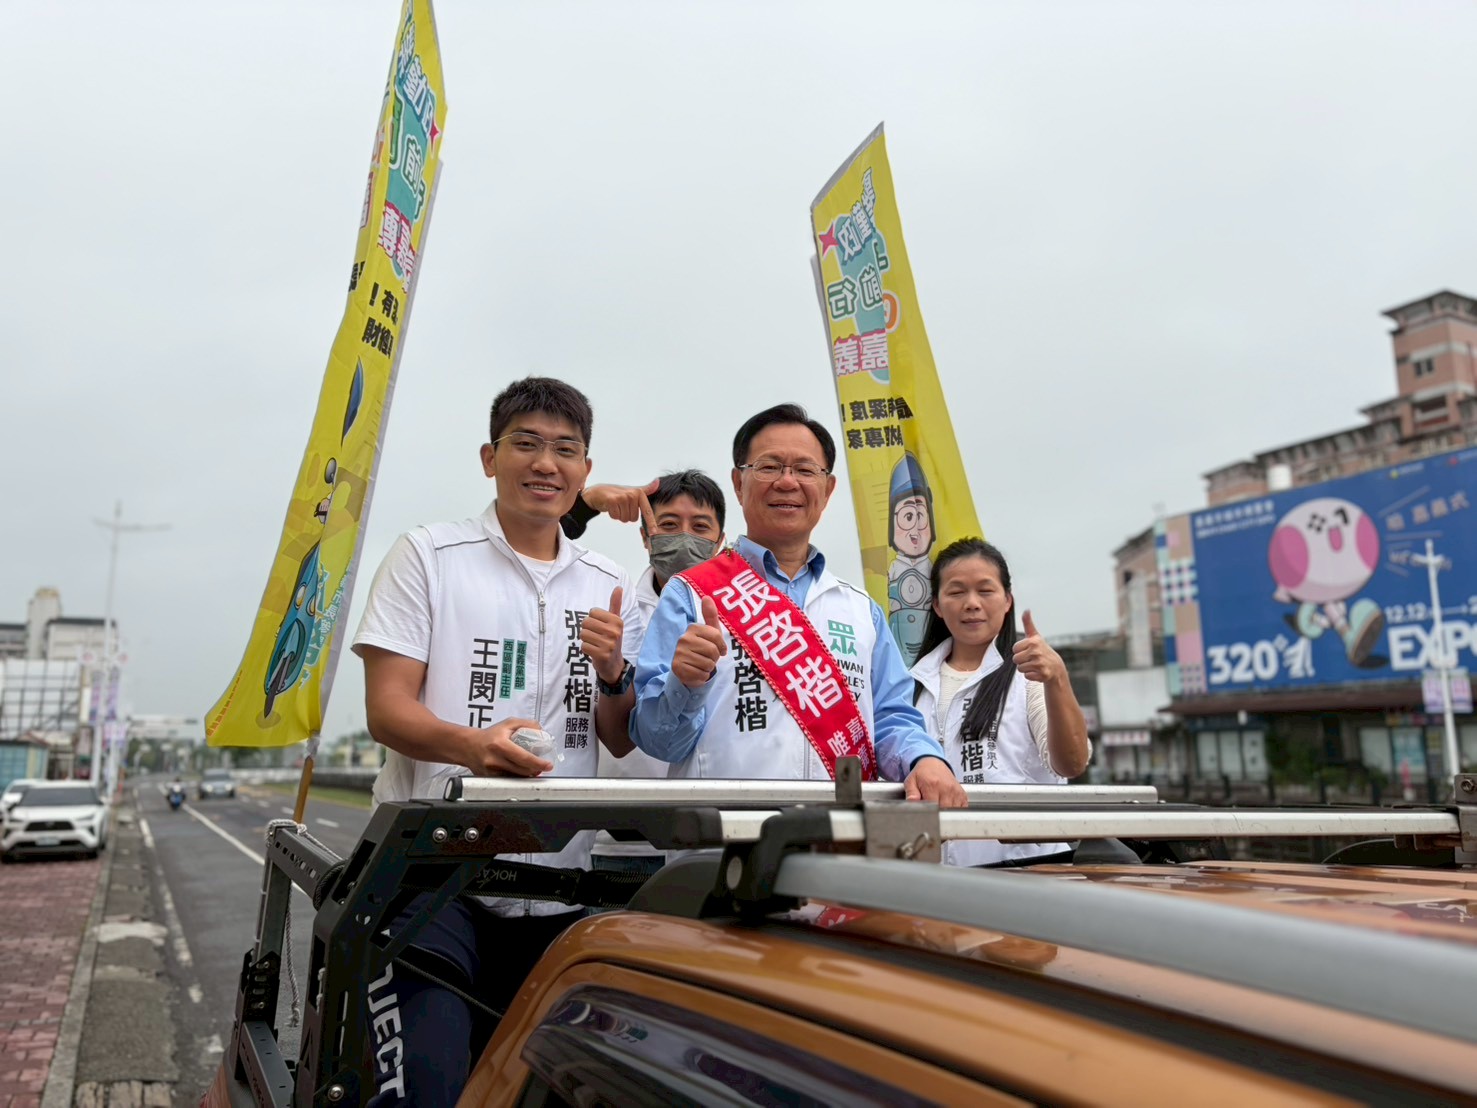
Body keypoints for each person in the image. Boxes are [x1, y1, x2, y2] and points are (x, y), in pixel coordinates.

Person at [351, 376, 642, 1107]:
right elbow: (387, 710)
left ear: (583, 471)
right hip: (432, 877)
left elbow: (619, 732)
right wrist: (471, 746)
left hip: (561, 885)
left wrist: (612, 674)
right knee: (431, 1086)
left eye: (565, 450)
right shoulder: (428, 555)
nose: (546, 463)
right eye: (527, 444)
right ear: (490, 457)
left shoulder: (610, 581)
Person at [630, 403, 966, 805]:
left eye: (805, 470)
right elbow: (657, 742)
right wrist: (683, 685)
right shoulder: (688, 593)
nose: (787, 482)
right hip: (721, 846)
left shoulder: (860, 610)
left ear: (828, 489)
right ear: (738, 483)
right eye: (769, 467)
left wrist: (924, 759)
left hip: (840, 845)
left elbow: (893, 717)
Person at [910, 537, 1092, 867]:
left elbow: (1072, 764)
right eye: (956, 592)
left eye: (985, 590)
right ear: (937, 605)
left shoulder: (1029, 675)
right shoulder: (912, 685)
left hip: (1028, 878)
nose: (972, 603)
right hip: (934, 883)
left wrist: (1057, 679)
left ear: (1007, 600)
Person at [588, 470, 727, 881]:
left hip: (707, 841)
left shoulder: (742, 617)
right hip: (618, 846)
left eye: (700, 527)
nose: (684, 537)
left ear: (720, 542)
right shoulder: (614, 611)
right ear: (646, 536)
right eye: (668, 525)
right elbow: (614, 737)